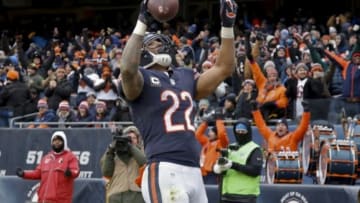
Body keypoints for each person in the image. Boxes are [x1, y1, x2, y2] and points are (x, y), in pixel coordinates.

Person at [118, 0, 238, 202]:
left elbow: (224, 68)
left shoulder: (184, 76)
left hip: (193, 169)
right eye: (150, 44)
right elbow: (128, 70)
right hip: (164, 167)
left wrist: (227, 26)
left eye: (158, 42)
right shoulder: (140, 79)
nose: (157, 46)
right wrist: (141, 22)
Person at [15, 131, 80, 203]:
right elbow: (37, 173)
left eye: (59, 141)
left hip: (60, 200)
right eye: (54, 141)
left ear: (64, 142)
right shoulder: (46, 157)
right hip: (44, 199)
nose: (56, 143)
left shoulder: (70, 157)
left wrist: (70, 173)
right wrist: (24, 174)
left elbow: (75, 171)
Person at [213, 118, 263, 203]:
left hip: (245, 196)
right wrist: (219, 167)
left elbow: (255, 171)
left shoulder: (254, 149)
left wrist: (233, 165)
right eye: (238, 131)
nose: (240, 134)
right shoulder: (230, 147)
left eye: (243, 131)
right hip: (227, 194)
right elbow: (225, 167)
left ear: (248, 132)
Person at [100, 126, 146, 203]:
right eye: (128, 137)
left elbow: (144, 162)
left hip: (137, 195)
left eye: (134, 138)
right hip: (116, 194)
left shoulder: (142, 153)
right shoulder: (112, 154)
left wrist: (130, 146)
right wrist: (111, 150)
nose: (131, 140)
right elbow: (106, 172)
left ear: (138, 140)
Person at [195, 116, 229, 184]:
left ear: (216, 134)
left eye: (211, 132)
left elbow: (222, 134)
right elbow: (197, 135)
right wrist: (205, 123)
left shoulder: (222, 143)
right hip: (202, 172)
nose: (208, 134)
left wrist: (219, 120)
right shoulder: (206, 142)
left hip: (213, 173)